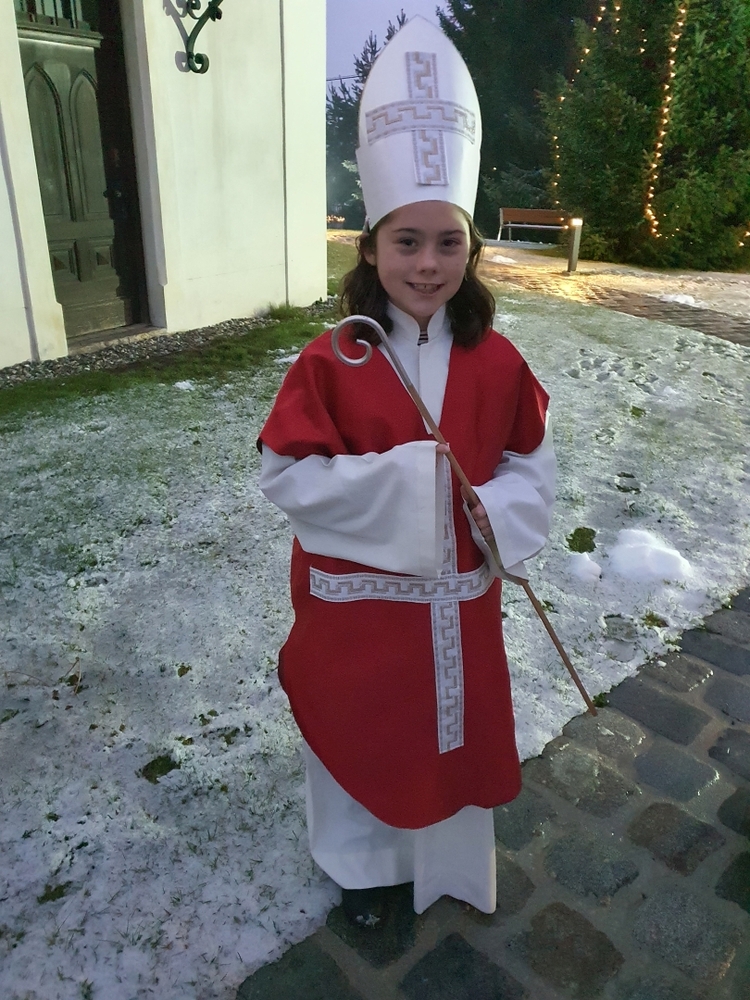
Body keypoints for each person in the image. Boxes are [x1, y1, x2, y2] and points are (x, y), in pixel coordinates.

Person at [258, 17, 555, 927]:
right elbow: (286, 476)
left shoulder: (498, 363)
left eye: (448, 243)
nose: (427, 264)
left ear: (472, 250)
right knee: (368, 729)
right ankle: (363, 864)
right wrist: (411, 487)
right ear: (371, 246)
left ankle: (449, 870)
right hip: (364, 619)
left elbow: (531, 465)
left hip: (457, 613)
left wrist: (493, 508)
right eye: (407, 242)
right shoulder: (333, 359)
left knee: (451, 739)